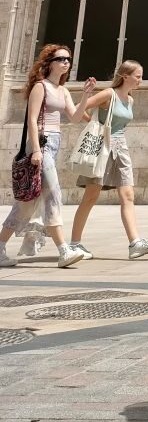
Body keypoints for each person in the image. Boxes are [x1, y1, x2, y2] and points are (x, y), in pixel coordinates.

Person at [0, 45, 95, 268]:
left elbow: (74, 117)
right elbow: (32, 120)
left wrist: (86, 96)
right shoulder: (40, 87)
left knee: (26, 204)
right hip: (40, 143)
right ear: (49, 62)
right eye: (61, 59)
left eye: (68, 59)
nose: (66, 63)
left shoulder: (63, 91)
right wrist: (35, 150)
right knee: (54, 193)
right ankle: (64, 250)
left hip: (53, 144)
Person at [68, 60, 148, 260]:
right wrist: (93, 122)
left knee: (128, 195)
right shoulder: (108, 94)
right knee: (91, 197)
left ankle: (135, 243)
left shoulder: (130, 99)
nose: (140, 80)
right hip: (102, 148)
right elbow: (77, 110)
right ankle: (74, 244)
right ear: (125, 76)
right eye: (138, 76)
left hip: (121, 149)